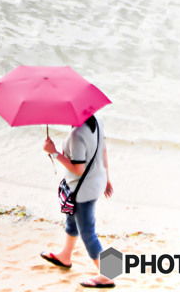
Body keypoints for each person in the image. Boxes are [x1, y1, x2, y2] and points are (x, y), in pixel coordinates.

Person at [40, 115, 115, 289]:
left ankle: (107, 274)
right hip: (96, 181)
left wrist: (54, 152)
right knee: (72, 220)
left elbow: (79, 169)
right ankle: (65, 256)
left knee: (88, 232)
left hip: (83, 190)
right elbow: (103, 151)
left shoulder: (77, 135)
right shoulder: (97, 122)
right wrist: (107, 179)